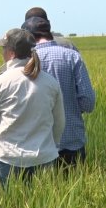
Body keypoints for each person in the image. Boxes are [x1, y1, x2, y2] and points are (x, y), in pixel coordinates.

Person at [0, 29, 65, 189]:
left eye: (3, 49)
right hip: (43, 158)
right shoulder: (50, 82)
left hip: (4, 159)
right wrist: (49, 146)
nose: (2, 52)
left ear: (11, 52)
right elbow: (59, 123)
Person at [22, 16, 96, 169]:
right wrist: (71, 106)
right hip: (72, 142)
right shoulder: (72, 56)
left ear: (29, 37)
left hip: (36, 144)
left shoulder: (26, 61)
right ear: (49, 32)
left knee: (39, 192)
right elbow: (88, 102)